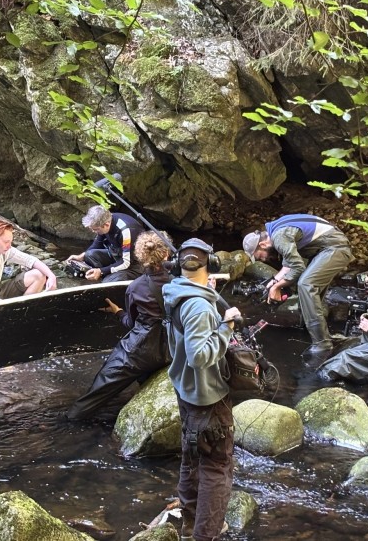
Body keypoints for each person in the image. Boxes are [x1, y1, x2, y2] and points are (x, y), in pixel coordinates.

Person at [163, 238, 241, 541]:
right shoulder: (197, 306)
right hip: (207, 397)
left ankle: (189, 525)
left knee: (191, 457)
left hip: (186, 391)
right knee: (216, 467)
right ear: (211, 264)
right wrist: (227, 326)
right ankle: (205, 534)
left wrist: (206, 285)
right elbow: (198, 356)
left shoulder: (175, 291)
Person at [66, 231, 174, 420]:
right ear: (167, 254)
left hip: (140, 353)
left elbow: (131, 323)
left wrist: (117, 311)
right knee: (145, 374)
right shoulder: (180, 282)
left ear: (140, 257)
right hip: (170, 351)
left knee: (95, 394)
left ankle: (67, 423)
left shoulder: (136, 287)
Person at [242, 214, 354, 354]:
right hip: (328, 248)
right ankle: (311, 333)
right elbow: (288, 266)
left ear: (262, 245)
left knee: (306, 284)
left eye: (258, 256)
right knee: (307, 293)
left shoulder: (279, 237)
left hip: (336, 248)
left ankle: (322, 344)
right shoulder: (277, 230)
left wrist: (277, 287)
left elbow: (298, 267)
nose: (262, 260)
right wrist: (272, 283)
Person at [65, 206, 144, 283]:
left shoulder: (126, 231)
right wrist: (81, 256)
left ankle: (111, 278)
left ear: (106, 225)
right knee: (89, 255)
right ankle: (106, 274)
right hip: (117, 254)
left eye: (95, 229)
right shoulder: (106, 219)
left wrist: (101, 271)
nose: (93, 231)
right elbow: (98, 243)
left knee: (107, 282)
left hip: (135, 264)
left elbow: (126, 262)